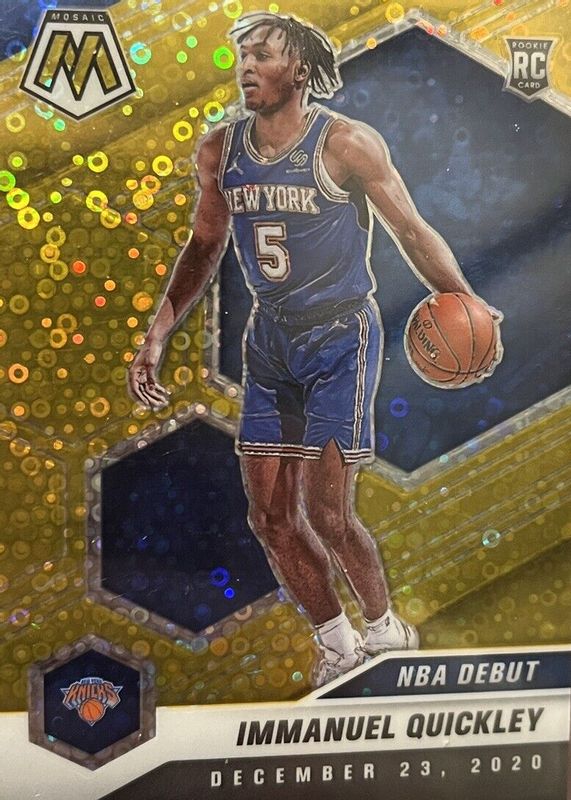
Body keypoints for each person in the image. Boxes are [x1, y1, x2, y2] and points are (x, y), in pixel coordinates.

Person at [129, 12, 501, 686]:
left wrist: (466, 301)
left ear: (297, 68)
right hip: (270, 341)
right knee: (270, 516)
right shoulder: (219, 152)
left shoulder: (346, 144)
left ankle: (384, 629)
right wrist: (158, 331)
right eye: (241, 56)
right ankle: (338, 643)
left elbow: (411, 231)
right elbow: (204, 246)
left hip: (339, 338)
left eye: (261, 55)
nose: (246, 67)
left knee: (328, 512)